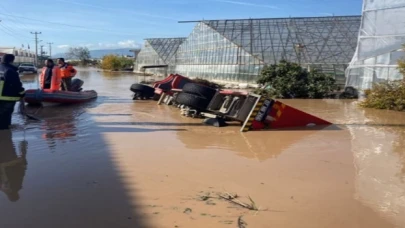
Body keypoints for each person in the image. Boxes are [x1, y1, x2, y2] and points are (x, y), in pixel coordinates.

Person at [0, 130, 28, 202]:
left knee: (5, 135)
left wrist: (23, 150)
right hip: (7, 158)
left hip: (9, 157)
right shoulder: (5, 188)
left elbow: (23, 166)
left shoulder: (17, 184)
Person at [0, 54, 25, 130]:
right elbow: (17, 85)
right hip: (7, 98)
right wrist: (23, 94)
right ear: (12, 61)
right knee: (5, 120)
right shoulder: (10, 71)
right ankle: (6, 138)